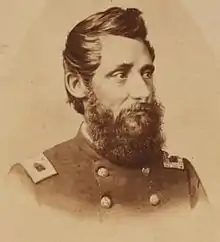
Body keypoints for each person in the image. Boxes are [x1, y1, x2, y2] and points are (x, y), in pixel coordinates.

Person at [8, 6, 208, 218]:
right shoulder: (31, 186)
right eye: (121, 75)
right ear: (76, 84)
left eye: (146, 73)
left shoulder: (182, 179)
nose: (144, 92)